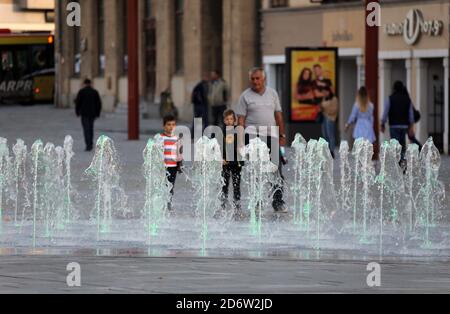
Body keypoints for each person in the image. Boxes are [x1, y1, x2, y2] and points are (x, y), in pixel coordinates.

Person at [236, 67, 287, 213]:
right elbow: (240, 120)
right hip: (251, 135)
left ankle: (278, 202)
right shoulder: (245, 96)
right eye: (252, 79)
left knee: (276, 169)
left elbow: (278, 116)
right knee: (255, 170)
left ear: (264, 79)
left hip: (271, 135)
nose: (255, 81)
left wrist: (282, 135)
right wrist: (240, 143)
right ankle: (256, 201)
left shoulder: (272, 94)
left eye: (258, 78)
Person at [381, 81, 415, 162]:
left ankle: (397, 162)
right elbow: (411, 115)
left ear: (394, 88)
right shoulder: (407, 99)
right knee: (402, 144)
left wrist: (382, 123)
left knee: (395, 144)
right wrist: (411, 127)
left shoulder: (390, 98)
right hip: (404, 126)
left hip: (393, 125)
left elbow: (385, 112)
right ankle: (402, 161)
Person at [221, 110, 244, 218]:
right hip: (225, 163)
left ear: (234, 120)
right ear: (224, 120)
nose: (229, 121)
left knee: (236, 184)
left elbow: (241, 146)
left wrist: (242, 159)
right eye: (227, 119)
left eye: (231, 119)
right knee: (224, 184)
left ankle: (237, 204)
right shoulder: (221, 132)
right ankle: (223, 203)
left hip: (236, 162)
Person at [161, 115, 183, 212]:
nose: (171, 127)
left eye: (173, 125)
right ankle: (161, 203)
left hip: (173, 167)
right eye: (168, 124)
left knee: (170, 186)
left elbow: (180, 152)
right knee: (162, 186)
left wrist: (180, 165)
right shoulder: (160, 138)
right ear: (164, 126)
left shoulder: (177, 138)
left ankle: (168, 204)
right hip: (163, 167)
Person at [75, 79, 102, 152]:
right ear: (90, 84)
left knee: (86, 129)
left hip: (84, 113)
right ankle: (90, 143)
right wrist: (98, 113)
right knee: (91, 128)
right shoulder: (94, 92)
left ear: (84, 84)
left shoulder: (81, 92)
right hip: (92, 113)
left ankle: (88, 145)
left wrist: (77, 112)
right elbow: (99, 103)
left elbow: (78, 102)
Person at [320, 87, 339, 158]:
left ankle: (332, 151)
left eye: (325, 92)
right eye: (323, 92)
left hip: (330, 118)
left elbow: (334, 109)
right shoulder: (324, 98)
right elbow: (322, 106)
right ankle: (327, 150)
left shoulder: (334, 99)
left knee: (330, 135)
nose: (324, 93)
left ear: (329, 91)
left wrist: (325, 109)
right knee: (325, 135)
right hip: (324, 118)